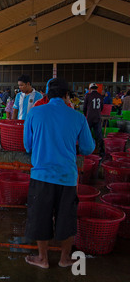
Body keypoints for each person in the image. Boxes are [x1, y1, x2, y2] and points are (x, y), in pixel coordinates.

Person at [23, 78, 95, 269]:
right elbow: (88, 148)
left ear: (46, 95)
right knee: (66, 218)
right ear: (66, 96)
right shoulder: (78, 117)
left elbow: (27, 145)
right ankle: (65, 259)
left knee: (41, 217)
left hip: (41, 176)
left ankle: (43, 259)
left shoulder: (35, 113)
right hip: (67, 178)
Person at [83, 83, 104, 155]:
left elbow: (84, 107)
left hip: (90, 117)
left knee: (87, 133)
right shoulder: (100, 96)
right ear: (97, 88)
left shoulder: (88, 96)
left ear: (90, 89)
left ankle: (87, 149)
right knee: (99, 134)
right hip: (97, 117)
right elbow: (101, 107)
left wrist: (85, 114)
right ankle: (101, 150)